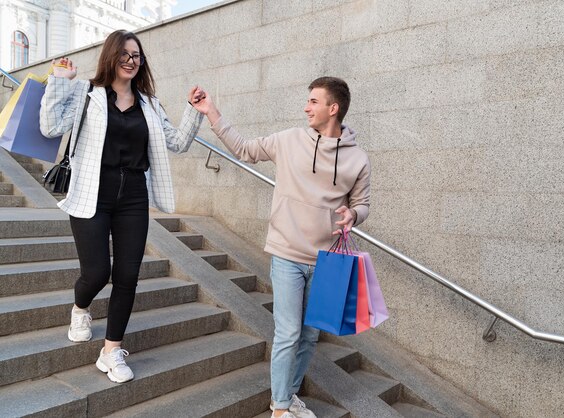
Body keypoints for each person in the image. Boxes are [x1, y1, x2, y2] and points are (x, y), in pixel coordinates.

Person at [192, 77, 371, 418]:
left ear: (332, 109)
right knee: (288, 332)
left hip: (327, 261)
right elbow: (244, 149)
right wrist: (211, 111)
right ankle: (279, 409)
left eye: (314, 101)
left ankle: (288, 396)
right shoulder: (289, 140)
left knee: (309, 336)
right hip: (287, 255)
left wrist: (354, 214)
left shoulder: (358, 159)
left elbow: (363, 204)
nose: (306, 107)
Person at [40, 29, 205, 383]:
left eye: (137, 56)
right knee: (97, 273)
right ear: (112, 57)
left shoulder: (149, 104)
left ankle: (111, 350)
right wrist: (59, 81)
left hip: (133, 194)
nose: (132, 61)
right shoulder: (88, 95)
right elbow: (50, 126)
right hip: (92, 192)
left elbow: (176, 142)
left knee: (127, 275)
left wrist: (194, 111)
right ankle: (81, 307)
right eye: (125, 55)